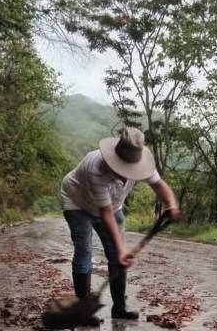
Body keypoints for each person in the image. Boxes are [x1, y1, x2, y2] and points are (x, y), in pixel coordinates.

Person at [60, 127, 180, 319]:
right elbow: (105, 213)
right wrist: (121, 249)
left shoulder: (143, 164)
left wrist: (172, 205)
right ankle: (83, 310)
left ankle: (119, 309)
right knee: (84, 251)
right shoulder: (95, 167)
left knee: (117, 257)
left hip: (112, 206)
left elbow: (159, 185)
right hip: (77, 201)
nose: (125, 174)